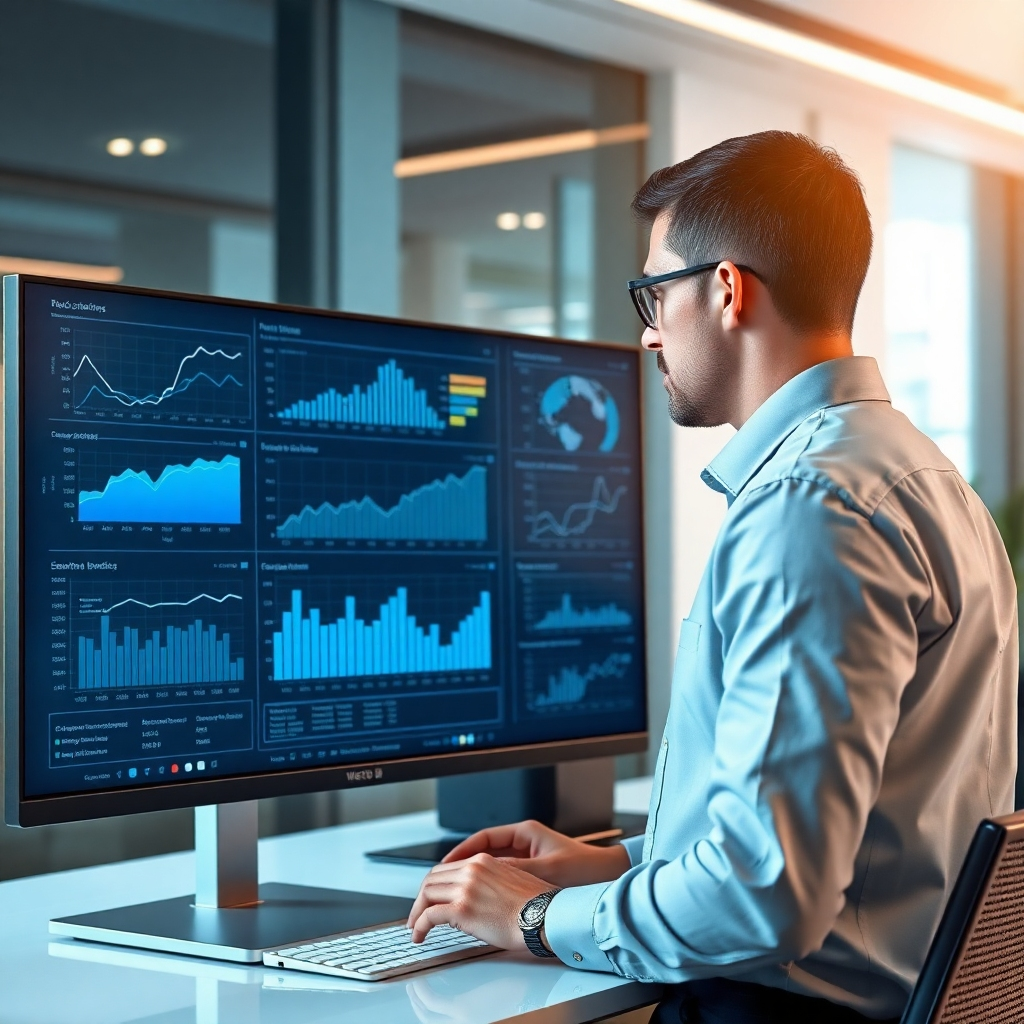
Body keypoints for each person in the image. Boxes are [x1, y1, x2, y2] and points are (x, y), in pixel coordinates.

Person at [407, 131, 1018, 1023]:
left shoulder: (812, 507)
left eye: (653, 293)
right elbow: (851, 829)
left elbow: (765, 897)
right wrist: (621, 865)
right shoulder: (918, 474)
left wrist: (536, 916)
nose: (649, 332)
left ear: (727, 290)